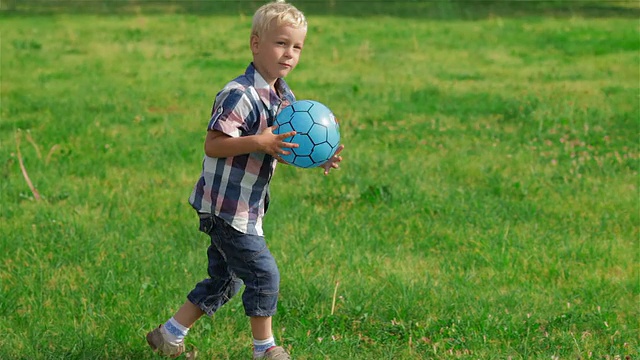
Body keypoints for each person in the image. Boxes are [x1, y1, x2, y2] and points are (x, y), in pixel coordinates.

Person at [145, 1, 344, 359]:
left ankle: (169, 334)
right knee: (263, 275)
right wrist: (258, 141)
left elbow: (286, 146)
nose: (289, 53)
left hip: (248, 208)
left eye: (296, 46)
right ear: (256, 44)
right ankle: (264, 349)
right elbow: (213, 144)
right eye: (281, 43)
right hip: (226, 208)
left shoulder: (284, 96)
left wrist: (319, 157)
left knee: (225, 279)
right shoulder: (239, 94)